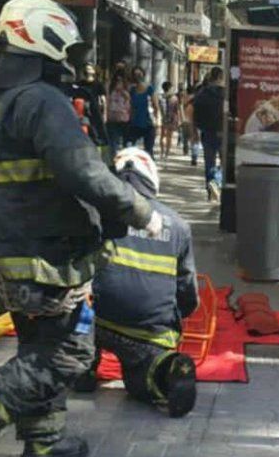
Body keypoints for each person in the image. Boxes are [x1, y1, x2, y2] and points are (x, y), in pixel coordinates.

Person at [0, 0, 162, 457]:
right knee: (70, 352)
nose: (69, 60)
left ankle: (45, 439)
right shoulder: (40, 101)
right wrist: (142, 211)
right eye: (65, 48)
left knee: (39, 343)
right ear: (43, 37)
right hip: (43, 250)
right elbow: (84, 173)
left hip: (6, 248)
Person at [75, 147, 199, 417]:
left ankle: (81, 371)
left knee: (74, 331)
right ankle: (168, 370)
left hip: (99, 322)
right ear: (152, 179)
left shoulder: (96, 215)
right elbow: (188, 292)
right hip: (149, 329)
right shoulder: (178, 226)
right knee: (141, 379)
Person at [190, 68, 225, 202]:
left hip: (207, 132)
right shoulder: (225, 93)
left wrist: (194, 131)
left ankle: (210, 188)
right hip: (223, 132)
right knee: (224, 162)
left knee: (209, 162)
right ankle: (217, 180)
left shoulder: (201, 93)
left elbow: (194, 112)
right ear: (221, 77)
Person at [126, 67, 159, 155]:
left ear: (143, 75)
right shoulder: (132, 90)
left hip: (149, 123)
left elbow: (156, 106)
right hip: (135, 123)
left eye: (139, 74)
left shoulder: (150, 89)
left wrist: (157, 121)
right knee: (129, 147)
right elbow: (130, 106)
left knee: (148, 150)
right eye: (135, 75)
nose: (138, 77)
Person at [105, 70, 131, 156]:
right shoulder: (110, 88)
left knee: (126, 142)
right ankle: (111, 161)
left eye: (121, 80)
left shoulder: (128, 88)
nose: (118, 82)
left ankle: (126, 161)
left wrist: (123, 91)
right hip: (112, 117)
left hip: (124, 118)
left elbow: (129, 100)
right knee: (112, 142)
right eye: (117, 80)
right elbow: (107, 101)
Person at [158, 81, 180, 160]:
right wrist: (178, 120)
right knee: (169, 136)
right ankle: (166, 153)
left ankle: (162, 152)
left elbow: (159, 108)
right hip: (171, 118)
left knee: (162, 136)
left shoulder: (160, 97)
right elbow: (176, 110)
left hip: (163, 118)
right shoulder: (174, 98)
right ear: (170, 88)